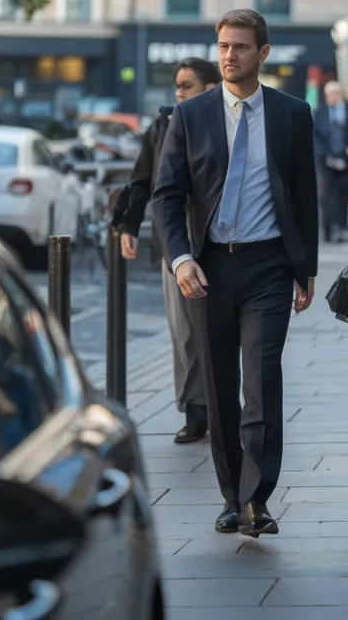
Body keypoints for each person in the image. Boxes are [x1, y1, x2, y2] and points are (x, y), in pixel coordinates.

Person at [152, 8, 319, 538]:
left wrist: (304, 268)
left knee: (262, 382)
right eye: (223, 46)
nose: (229, 55)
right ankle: (230, 496)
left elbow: (303, 195)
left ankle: (257, 499)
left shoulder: (292, 114)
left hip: (268, 264)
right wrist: (181, 259)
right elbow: (166, 195)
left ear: (262, 54)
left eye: (241, 47)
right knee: (221, 388)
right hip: (207, 267)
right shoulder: (192, 115)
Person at [112, 56, 219, 444]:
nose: (177, 93)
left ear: (209, 88)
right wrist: (128, 224)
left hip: (220, 238)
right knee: (184, 331)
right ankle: (195, 410)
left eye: (186, 85)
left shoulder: (226, 122)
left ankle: (221, 404)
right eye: (176, 85)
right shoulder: (163, 125)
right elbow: (143, 180)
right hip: (174, 239)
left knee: (217, 330)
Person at [314, 81, 348, 242]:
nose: (331, 96)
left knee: (343, 193)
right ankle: (328, 230)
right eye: (328, 93)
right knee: (326, 194)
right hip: (325, 160)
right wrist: (326, 154)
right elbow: (316, 137)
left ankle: (341, 227)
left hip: (346, 159)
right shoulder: (319, 112)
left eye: (334, 93)